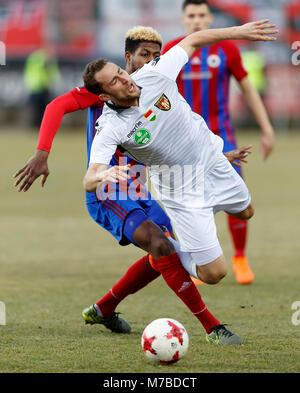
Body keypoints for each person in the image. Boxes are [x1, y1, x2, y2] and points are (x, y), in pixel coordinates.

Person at [14, 26, 251, 345]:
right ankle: (212, 326)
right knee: (161, 244)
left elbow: (174, 137)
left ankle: (105, 307)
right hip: (108, 191)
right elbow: (56, 107)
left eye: (156, 55)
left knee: (163, 252)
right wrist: (42, 153)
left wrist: (216, 155)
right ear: (128, 58)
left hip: (143, 188)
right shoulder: (103, 89)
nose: (152, 60)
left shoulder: (152, 81)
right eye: (144, 55)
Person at [82, 19, 277, 343]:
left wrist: (239, 32)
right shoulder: (111, 126)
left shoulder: (154, 74)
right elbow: (90, 179)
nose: (124, 79)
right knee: (214, 274)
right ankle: (179, 248)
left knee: (247, 212)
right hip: (180, 189)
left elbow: (195, 38)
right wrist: (102, 173)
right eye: (114, 82)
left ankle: (180, 242)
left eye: (121, 72)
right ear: (104, 95)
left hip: (212, 161)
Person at [162, 0, 275, 284]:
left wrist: (266, 128)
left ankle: (239, 257)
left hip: (222, 136)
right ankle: (199, 257)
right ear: (184, 19)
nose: (197, 20)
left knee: (236, 196)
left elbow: (247, 88)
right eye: (192, 15)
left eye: (202, 15)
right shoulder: (172, 50)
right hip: (183, 142)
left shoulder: (226, 49)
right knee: (188, 200)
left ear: (210, 18)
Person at [24, 45, 60, 128]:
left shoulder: (35, 57)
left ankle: (38, 125)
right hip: (39, 86)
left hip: (39, 86)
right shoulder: (44, 58)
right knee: (39, 109)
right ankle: (38, 125)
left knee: (39, 109)